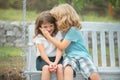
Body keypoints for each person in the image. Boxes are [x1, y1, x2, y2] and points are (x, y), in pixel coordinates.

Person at [40, 4, 101, 80]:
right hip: (69, 57)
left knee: (93, 73)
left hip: (82, 56)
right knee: (68, 69)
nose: (55, 22)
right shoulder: (62, 30)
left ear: (64, 19)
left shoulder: (73, 30)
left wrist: (48, 37)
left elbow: (62, 46)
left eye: (56, 20)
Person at [33, 11, 63, 80]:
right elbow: (42, 54)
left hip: (57, 58)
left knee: (60, 67)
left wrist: (55, 63)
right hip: (43, 59)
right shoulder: (39, 37)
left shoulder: (58, 34)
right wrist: (50, 63)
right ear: (40, 27)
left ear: (55, 25)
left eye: (51, 26)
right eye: (45, 27)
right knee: (46, 68)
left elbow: (59, 50)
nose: (49, 29)